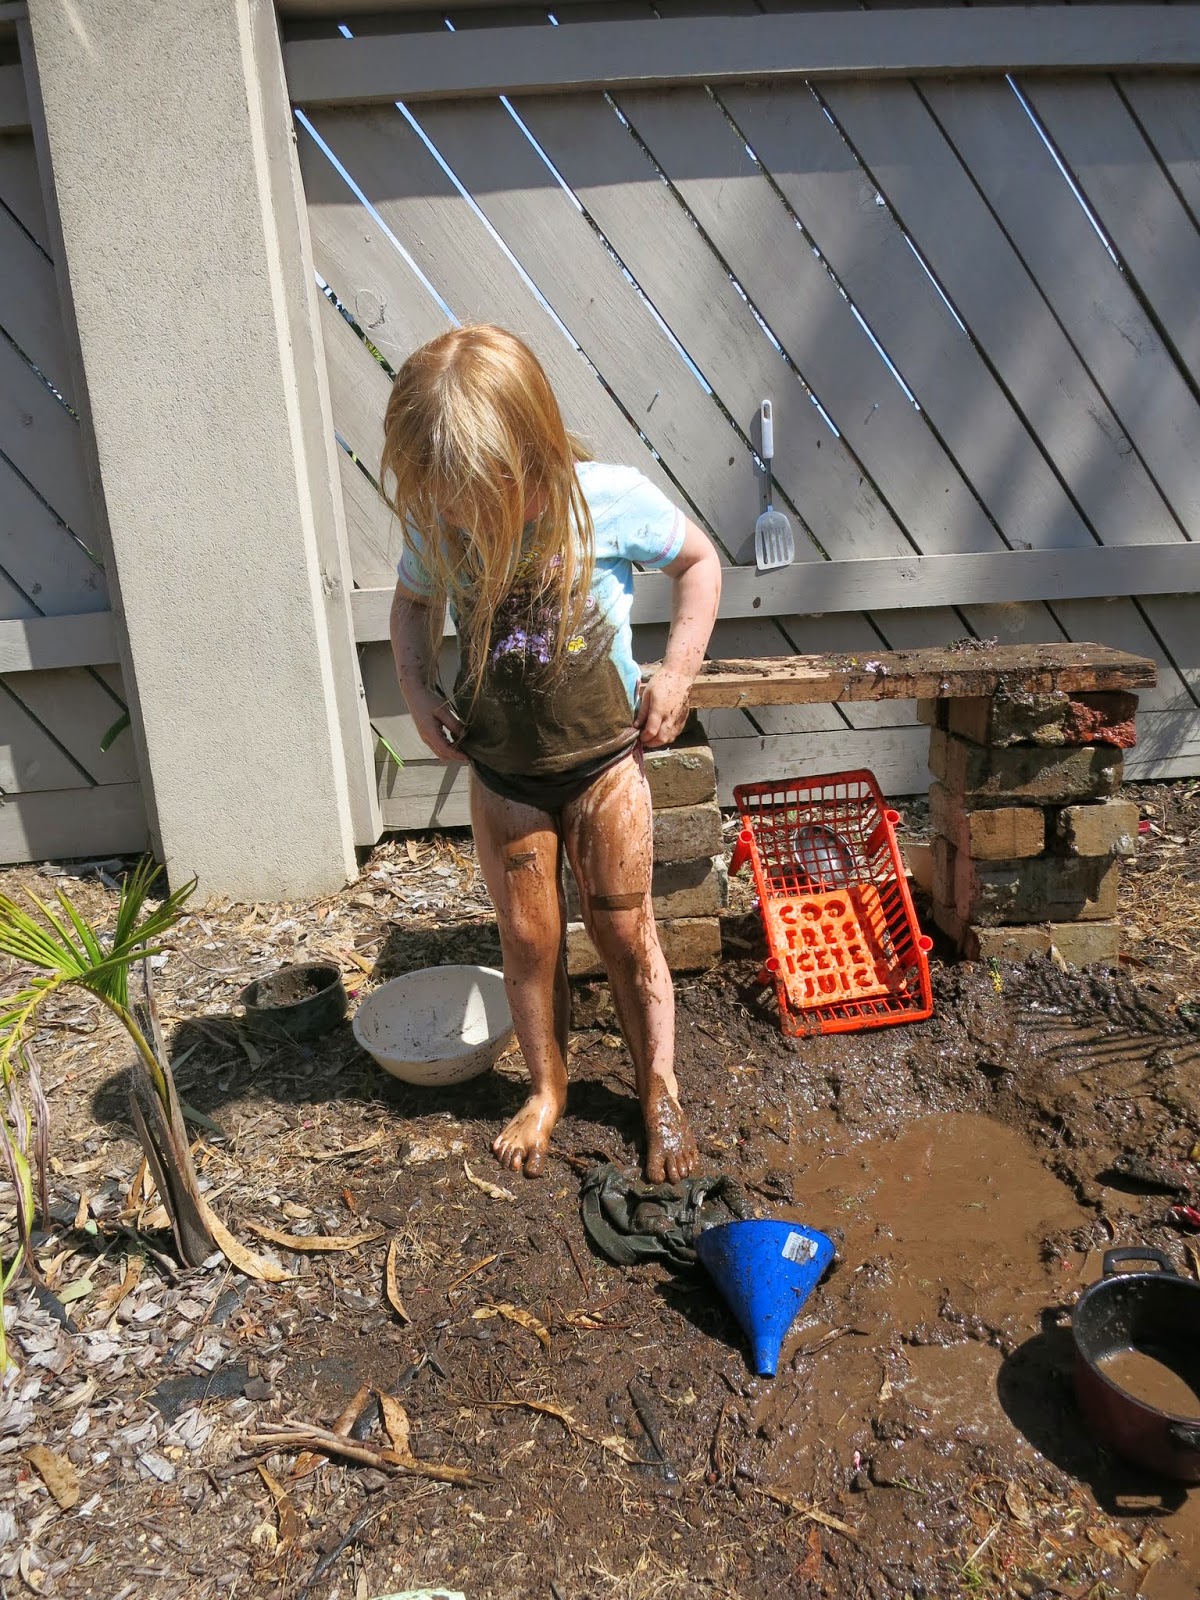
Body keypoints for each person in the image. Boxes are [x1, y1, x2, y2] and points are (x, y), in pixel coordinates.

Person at [381, 325, 721, 1183]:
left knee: (623, 930)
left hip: (605, 763)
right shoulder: (440, 526)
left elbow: (700, 563)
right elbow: (412, 607)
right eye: (451, 501)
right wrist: (419, 693)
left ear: (533, 451)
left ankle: (659, 1087)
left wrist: (677, 673)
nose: (468, 520)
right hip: (506, 775)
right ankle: (546, 1088)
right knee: (528, 940)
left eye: (487, 497)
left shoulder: (606, 500)